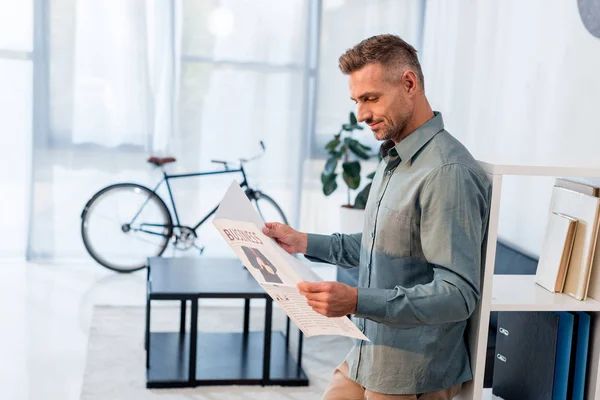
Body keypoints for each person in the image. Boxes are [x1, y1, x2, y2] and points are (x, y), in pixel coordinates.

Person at [262, 34, 491, 400]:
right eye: (357, 100)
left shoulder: (447, 172)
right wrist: (302, 242)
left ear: (409, 83)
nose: (361, 114)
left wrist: (355, 301)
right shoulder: (394, 159)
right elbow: (377, 245)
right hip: (368, 354)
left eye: (370, 98)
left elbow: (458, 295)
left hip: (415, 372)